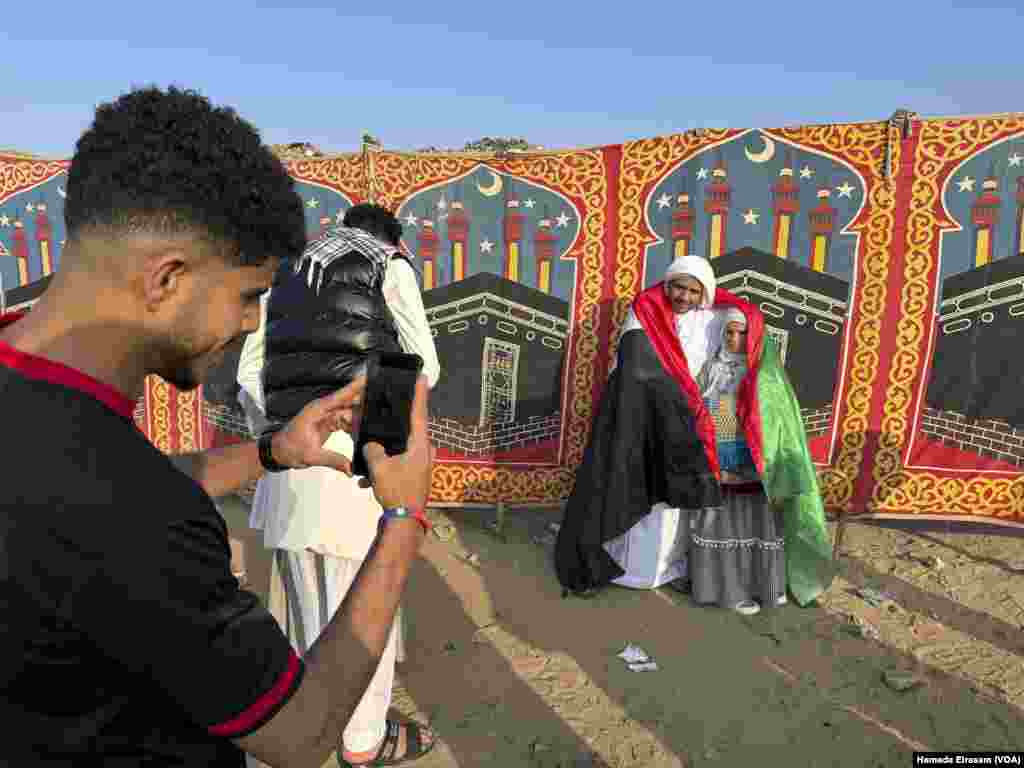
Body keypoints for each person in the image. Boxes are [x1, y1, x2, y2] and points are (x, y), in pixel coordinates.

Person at [0, 86, 434, 768]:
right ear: (166, 279)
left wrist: (270, 452)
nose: (253, 322)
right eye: (248, 295)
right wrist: (406, 514)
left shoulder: (47, 415)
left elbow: (111, 479)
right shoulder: (137, 520)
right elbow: (297, 734)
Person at [236, 203, 440, 767]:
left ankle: (309, 729)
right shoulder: (389, 266)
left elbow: (250, 373)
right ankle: (362, 743)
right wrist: (370, 436)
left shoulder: (286, 272)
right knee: (361, 622)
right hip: (360, 476)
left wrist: (283, 438)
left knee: (303, 620)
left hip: (292, 469)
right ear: (388, 237)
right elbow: (421, 369)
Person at [555, 254, 833, 610]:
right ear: (666, 284)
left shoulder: (716, 315)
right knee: (642, 492)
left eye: (692, 290)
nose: (683, 297)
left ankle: (686, 570)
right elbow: (637, 365)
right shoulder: (648, 310)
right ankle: (633, 570)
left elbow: (746, 332)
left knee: (688, 505)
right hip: (645, 415)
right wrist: (676, 398)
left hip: (697, 422)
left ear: (705, 292)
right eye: (677, 287)